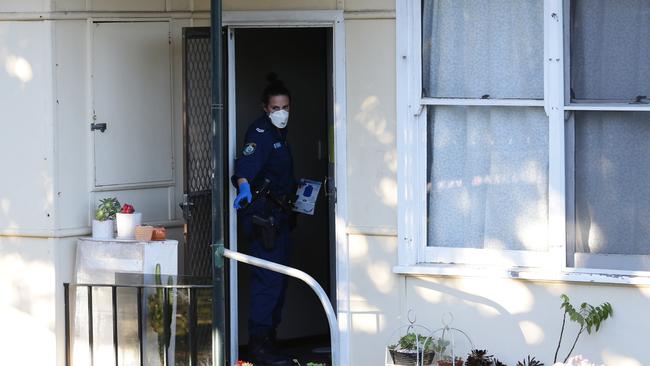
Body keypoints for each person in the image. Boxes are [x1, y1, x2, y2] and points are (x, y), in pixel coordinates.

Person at [232, 73, 296, 366]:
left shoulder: (280, 135)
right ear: (265, 108)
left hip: (280, 217)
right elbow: (245, 166)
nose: (280, 113)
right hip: (263, 219)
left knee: (278, 283)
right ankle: (258, 347)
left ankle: (270, 341)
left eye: (285, 107)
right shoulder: (260, 134)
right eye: (275, 108)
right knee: (267, 282)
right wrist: (243, 185)